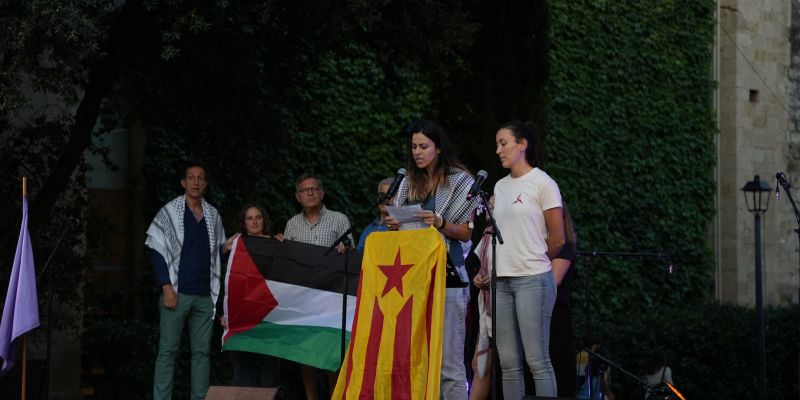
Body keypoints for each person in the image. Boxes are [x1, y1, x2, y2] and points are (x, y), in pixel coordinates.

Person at [385, 119, 477, 399]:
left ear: (438, 147)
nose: (417, 152)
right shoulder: (406, 181)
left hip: (449, 278)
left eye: (424, 146)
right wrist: (395, 224)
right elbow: (402, 222)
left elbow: (464, 233)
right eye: (413, 146)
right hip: (414, 279)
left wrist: (440, 223)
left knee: (449, 363)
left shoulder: (461, 180)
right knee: (417, 359)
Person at [491, 120, 564, 399]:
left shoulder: (543, 183)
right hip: (501, 281)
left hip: (533, 280)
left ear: (522, 145)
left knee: (537, 359)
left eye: (503, 143)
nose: (498, 149)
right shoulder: (499, 186)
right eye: (497, 144)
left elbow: (558, 239)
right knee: (508, 363)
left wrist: (531, 261)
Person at [145, 160, 226, 400]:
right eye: (191, 177)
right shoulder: (169, 212)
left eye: (201, 178)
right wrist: (166, 287)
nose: (196, 182)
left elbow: (219, 252)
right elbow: (157, 250)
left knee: (202, 353)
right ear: (183, 182)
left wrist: (238, 244)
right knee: (168, 352)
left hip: (204, 296)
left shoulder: (213, 215)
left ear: (206, 184)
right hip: (176, 293)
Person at [283, 173, 351, 400]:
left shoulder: (339, 220)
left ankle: (334, 396)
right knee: (306, 351)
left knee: (331, 350)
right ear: (297, 196)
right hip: (304, 296)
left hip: (332, 295)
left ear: (322, 193)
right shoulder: (292, 224)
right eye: (305, 190)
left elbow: (352, 255)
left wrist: (345, 250)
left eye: (314, 189)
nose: (310, 193)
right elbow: (288, 260)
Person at [221, 203, 281, 388]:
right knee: (243, 375)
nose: (254, 221)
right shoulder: (236, 245)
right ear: (244, 222)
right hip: (241, 316)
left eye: (258, 217)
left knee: (268, 376)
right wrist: (224, 250)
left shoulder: (276, 243)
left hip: (269, 316)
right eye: (249, 218)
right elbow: (226, 281)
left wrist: (285, 248)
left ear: (264, 220)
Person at [550, 202, 578, 397]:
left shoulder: (565, 247)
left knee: (557, 368)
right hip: (542, 316)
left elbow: (553, 280)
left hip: (556, 319)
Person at [356, 177, 393, 252]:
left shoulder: (402, 227)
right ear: (377, 199)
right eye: (381, 195)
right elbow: (358, 255)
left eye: (389, 196)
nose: (384, 200)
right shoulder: (369, 228)